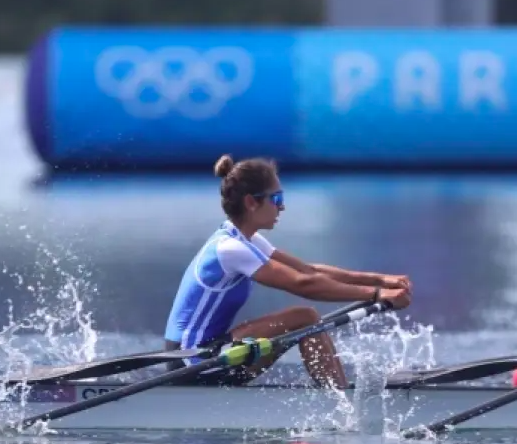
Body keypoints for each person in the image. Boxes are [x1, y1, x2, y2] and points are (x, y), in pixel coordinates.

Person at [163, 155, 412, 389]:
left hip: (213, 352)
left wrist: (380, 280)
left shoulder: (245, 239)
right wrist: (376, 294)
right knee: (304, 317)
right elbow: (303, 284)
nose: (282, 207)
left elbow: (308, 270)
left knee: (304, 320)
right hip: (191, 360)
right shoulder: (229, 249)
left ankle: (337, 392)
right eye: (276, 198)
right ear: (251, 202)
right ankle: (339, 399)